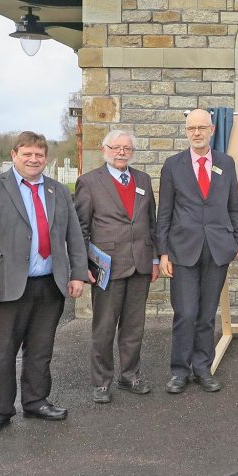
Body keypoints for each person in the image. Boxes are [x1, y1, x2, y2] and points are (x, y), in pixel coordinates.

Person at [0, 131, 88, 438]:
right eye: (27, 154)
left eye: (40, 155)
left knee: (41, 349)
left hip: (49, 285)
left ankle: (36, 401)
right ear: (14, 155)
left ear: (47, 158)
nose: (34, 160)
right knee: (2, 352)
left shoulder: (58, 190)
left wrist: (77, 273)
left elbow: (74, 235)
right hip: (5, 286)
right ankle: (0, 411)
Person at [156, 109, 238, 394]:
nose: (196, 133)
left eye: (201, 127)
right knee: (185, 312)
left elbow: (234, 207)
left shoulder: (226, 164)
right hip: (183, 250)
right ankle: (179, 371)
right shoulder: (173, 165)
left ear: (211, 130)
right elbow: (164, 213)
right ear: (186, 132)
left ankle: (202, 368)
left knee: (207, 313)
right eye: (191, 128)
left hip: (218, 249)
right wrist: (163, 253)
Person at [74, 129, 159, 404]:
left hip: (140, 264)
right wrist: (82, 265)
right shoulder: (88, 182)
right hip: (107, 267)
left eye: (126, 148)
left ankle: (130, 375)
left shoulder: (143, 180)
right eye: (116, 147)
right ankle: (101, 382)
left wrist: (155, 258)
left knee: (134, 327)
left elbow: (151, 222)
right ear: (105, 150)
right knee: (104, 327)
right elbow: (81, 229)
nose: (121, 152)